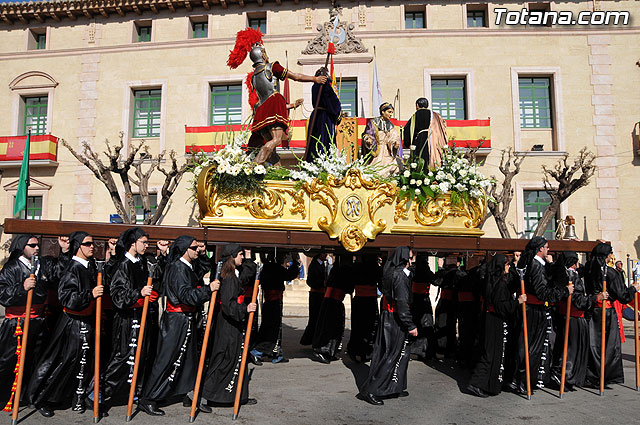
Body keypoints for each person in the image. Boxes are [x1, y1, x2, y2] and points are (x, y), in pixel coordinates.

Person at [138, 236, 219, 416]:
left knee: (189, 360)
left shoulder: (188, 266)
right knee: (166, 359)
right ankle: (148, 398)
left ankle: (191, 394)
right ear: (184, 249)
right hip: (176, 320)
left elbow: (204, 266)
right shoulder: (177, 267)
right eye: (194, 247)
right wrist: (208, 289)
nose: (197, 250)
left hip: (186, 318)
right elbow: (185, 295)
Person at [28, 231, 102, 417]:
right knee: (62, 361)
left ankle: (78, 394)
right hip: (72, 323)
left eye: (92, 243)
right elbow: (67, 297)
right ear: (78, 246)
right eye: (87, 244)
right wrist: (90, 295)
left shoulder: (89, 266)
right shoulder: (73, 268)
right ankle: (42, 398)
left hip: (87, 320)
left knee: (85, 361)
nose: (91, 246)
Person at [227, 27, 326, 165]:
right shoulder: (271, 67)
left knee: (271, 148)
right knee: (276, 140)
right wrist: (314, 79)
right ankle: (254, 166)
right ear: (262, 55)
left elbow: (267, 102)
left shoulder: (253, 77)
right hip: (273, 103)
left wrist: (292, 105)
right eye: (264, 53)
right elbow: (295, 76)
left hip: (261, 110)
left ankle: (280, 175)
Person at [91, 227, 154, 412]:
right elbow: (118, 296)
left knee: (140, 356)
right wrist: (139, 293)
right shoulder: (123, 265)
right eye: (143, 242)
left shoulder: (142, 262)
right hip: (126, 318)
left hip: (140, 316)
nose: (146, 245)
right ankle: (96, 393)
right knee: (122, 356)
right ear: (133, 244)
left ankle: (134, 392)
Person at [513, 236, 573, 394]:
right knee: (531, 347)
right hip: (533, 310)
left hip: (535, 308)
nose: (548, 249)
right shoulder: (535, 265)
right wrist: (564, 291)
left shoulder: (538, 264)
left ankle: (525, 380)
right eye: (546, 247)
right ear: (540, 249)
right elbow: (542, 292)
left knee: (532, 347)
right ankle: (523, 381)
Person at [357, 247, 416, 406]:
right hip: (396, 319)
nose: (412, 261)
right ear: (404, 260)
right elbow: (402, 303)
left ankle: (394, 386)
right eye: (410, 258)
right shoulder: (400, 277)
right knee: (392, 355)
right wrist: (410, 325)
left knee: (394, 353)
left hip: (388, 316)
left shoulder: (389, 272)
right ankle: (372, 390)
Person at [202, 244, 258, 407]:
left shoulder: (235, 274)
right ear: (233, 256)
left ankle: (237, 395)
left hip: (234, 322)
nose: (242, 257)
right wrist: (245, 308)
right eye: (240, 254)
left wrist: (248, 258)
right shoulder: (229, 277)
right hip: (227, 324)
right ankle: (207, 395)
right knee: (224, 357)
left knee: (237, 357)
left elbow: (248, 275)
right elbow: (227, 305)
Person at [467, 255, 527, 397]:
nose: (508, 267)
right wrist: (517, 302)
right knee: (491, 353)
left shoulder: (492, 280)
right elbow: (501, 306)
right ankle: (476, 383)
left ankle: (487, 384)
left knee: (491, 352)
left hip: (490, 319)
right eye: (506, 265)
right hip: (494, 320)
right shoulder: (499, 284)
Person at [0, 235, 47, 412]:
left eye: (37, 245)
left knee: (35, 361)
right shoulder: (11, 268)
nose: (36, 248)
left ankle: (30, 396)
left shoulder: (40, 265)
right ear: (22, 246)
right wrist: (22, 287)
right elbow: (2, 293)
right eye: (32, 245)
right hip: (16, 323)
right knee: (9, 362)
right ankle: (6, 397)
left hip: (37, 320)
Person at [584, 243, 640, 387]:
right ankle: (604, 376)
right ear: (606, 255)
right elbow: (623, 296)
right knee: (609, 346)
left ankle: (594, 375)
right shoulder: (609, 273)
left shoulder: (589, 270)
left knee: (594, 345)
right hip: (605, 312)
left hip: (592, 312)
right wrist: (633, 288)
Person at [549, 251, 603, 390]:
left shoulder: (564, 273)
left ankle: (567, 377)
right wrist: (595, 299)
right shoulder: (570, 276)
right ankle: (564, 376)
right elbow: (578, 300)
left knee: (569, 349)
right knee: (571, 350)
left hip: (568, 316)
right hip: (572, 317)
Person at [251, 252, 299, 364]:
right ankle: (257, 351)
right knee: (271, 328)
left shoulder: (266, 268)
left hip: (270, 302)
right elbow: (289, 275)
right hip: (273, 302)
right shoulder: (275, 268)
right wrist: (295, 262)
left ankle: (275, 353)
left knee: (271, 327)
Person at [312, 255, 355, 364]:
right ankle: (323, 350)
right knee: (332, 328)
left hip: (331, 301)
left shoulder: (336, 268)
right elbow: (349, 288)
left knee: (331, 327)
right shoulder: (345, 270)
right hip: (334, 302)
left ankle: (330, 351)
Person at [347, 255, 381, 363]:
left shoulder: (356, 267)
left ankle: (356, 351)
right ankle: (367, 351)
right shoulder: (376, 268)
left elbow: (350, 285)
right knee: (370, 328)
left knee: (358, 327)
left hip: (359, 300)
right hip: (370, 301)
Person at [304, 67, 343, 163]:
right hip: (324, 117)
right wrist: (338, 112)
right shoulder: (324, 85)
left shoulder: (314, 86)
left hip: (316, 115)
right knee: (324, 141)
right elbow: (332, 101)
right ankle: (324, 163)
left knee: (315, 141)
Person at [402, 97, 448, 169]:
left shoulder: (417, 114)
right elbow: (443, 127)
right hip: (434, 140)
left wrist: (407, 143)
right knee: (433, 158)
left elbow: (408, 129)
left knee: (421, 159)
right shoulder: (436, 115)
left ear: (417, 105)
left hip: (421, 139)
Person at [409, 255, 439, 361]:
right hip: (423, 300)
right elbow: (436, 281)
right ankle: (423, 350)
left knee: (415, 322)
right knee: (426, 324)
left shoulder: (411, 269)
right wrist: (440, 270)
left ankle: (412, 349)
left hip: (413, 300)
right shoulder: (425, 269)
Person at [361, 102, 403, 177]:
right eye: (389, 112)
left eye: (392, 112)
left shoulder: (390, 125)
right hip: (376, 149)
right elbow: (367, 134)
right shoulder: (373, 123)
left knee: (394, 165)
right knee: (375, 169)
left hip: (387, 151)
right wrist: (368, 139)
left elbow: (394, 137)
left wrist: (395, 144)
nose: (390, 114)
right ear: (383, 112)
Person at [300, 253, 327, 346]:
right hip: (316, 295)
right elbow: (311, 281)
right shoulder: (314, 265)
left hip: (322, 294)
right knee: (314, 318)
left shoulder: (323, 264)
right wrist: (322, 282)